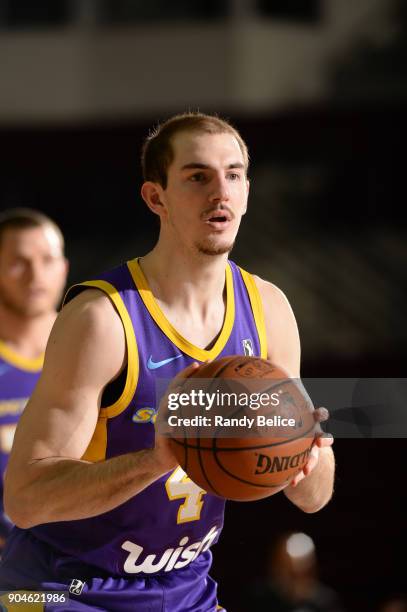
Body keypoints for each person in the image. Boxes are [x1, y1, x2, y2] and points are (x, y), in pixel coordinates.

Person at [0, 113, 335, 611]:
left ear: (246, 193)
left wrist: (300, 454)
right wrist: (158, 460)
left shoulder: (270, 311)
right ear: (156, 197)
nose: (220, 191)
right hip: (61, 586)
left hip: (185, 585)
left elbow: (314, 498)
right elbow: (25, 502)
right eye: (198, 176)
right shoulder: (102, 319)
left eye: (234, 174)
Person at [0, 208, 68, 551]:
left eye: (47, 259)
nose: (35, 275)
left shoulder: (102, 348)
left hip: (88, 561)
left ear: (64, 267)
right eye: (18, 261)